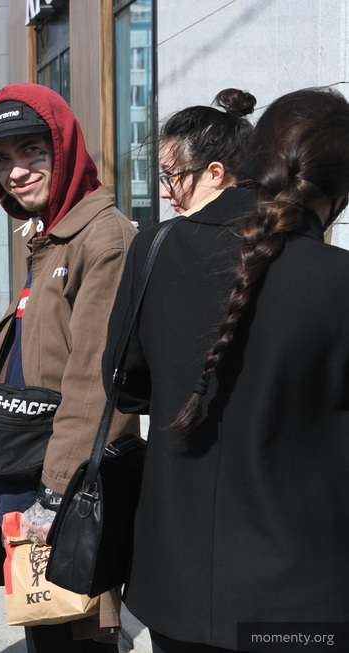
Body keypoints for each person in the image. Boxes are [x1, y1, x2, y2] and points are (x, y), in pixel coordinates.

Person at [104, 86, 349, 653]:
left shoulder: (156, 248)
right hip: (301, 600)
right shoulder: (337, 280)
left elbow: (124, 385)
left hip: (173, 586)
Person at [0, 84, 139, 652]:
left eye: (32, 152)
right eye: (2, 159)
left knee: (78, 637)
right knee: (48, 634)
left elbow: (96, 385)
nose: (16, 171)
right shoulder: (50, 235)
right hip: (23, 472)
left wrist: (55, 494)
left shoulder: (103, 238)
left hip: (62, 485)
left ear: (63, 149)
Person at [157, 89, 256, 215]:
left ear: (215, 174)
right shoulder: (271, 224)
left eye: (171, 176)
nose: (163, 193)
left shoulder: (176, 233)